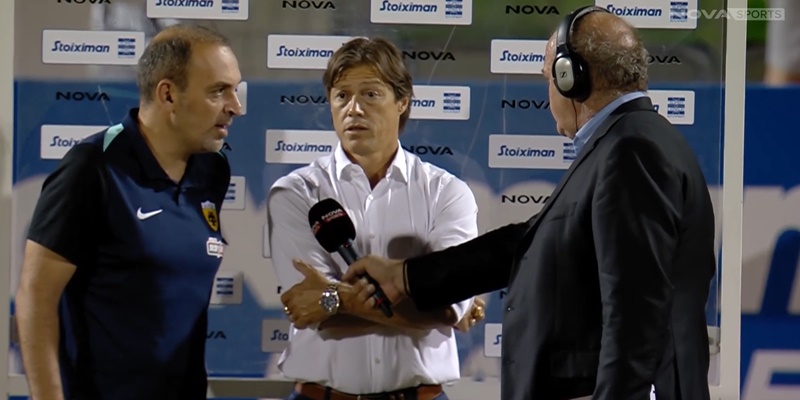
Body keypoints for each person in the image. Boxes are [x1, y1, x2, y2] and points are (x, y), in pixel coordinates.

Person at [340, 7, 716, 400]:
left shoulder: (631, 151)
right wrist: (405, 277)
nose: (548, 93)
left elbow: (635, 316)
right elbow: (529, 242)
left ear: (571, 77)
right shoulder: (625, 143)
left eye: (547, 78)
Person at [14, 24, 243, 400]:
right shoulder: (91, 168)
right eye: (219, 91)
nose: (236, 106)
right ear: (168, 94)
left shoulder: (212, 170)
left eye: (235, 89)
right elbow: (36, 298)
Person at [268, 37, 485, 400]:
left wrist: (334, 299)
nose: (354, 108)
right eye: (342, 96)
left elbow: (449, 306)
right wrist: (425, 304)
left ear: (402, 101)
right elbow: (306, 303)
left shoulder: (447, 193)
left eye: (370, 94)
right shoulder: (295, 193)